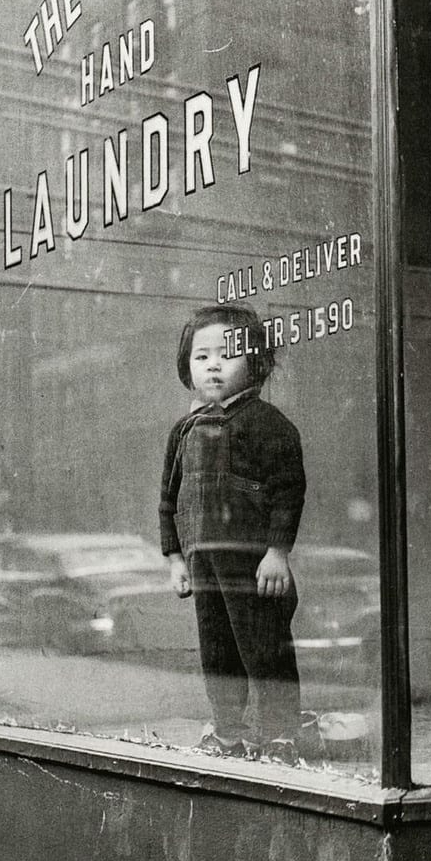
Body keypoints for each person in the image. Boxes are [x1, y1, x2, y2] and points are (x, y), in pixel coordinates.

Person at [159, 303, 306, 764]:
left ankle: (281, 735)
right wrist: (175, 559)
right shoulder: (183, 431)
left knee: (266, 652)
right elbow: (168, 499)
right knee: (218, 654)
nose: (214, 365)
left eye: (228, 354)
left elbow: (287, 491)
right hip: (205, 565)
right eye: (201, 357)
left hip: (253, 564)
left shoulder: (269, 424)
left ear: (256, 363)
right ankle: (227, 733)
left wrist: (278, 553)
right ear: (187, 367)